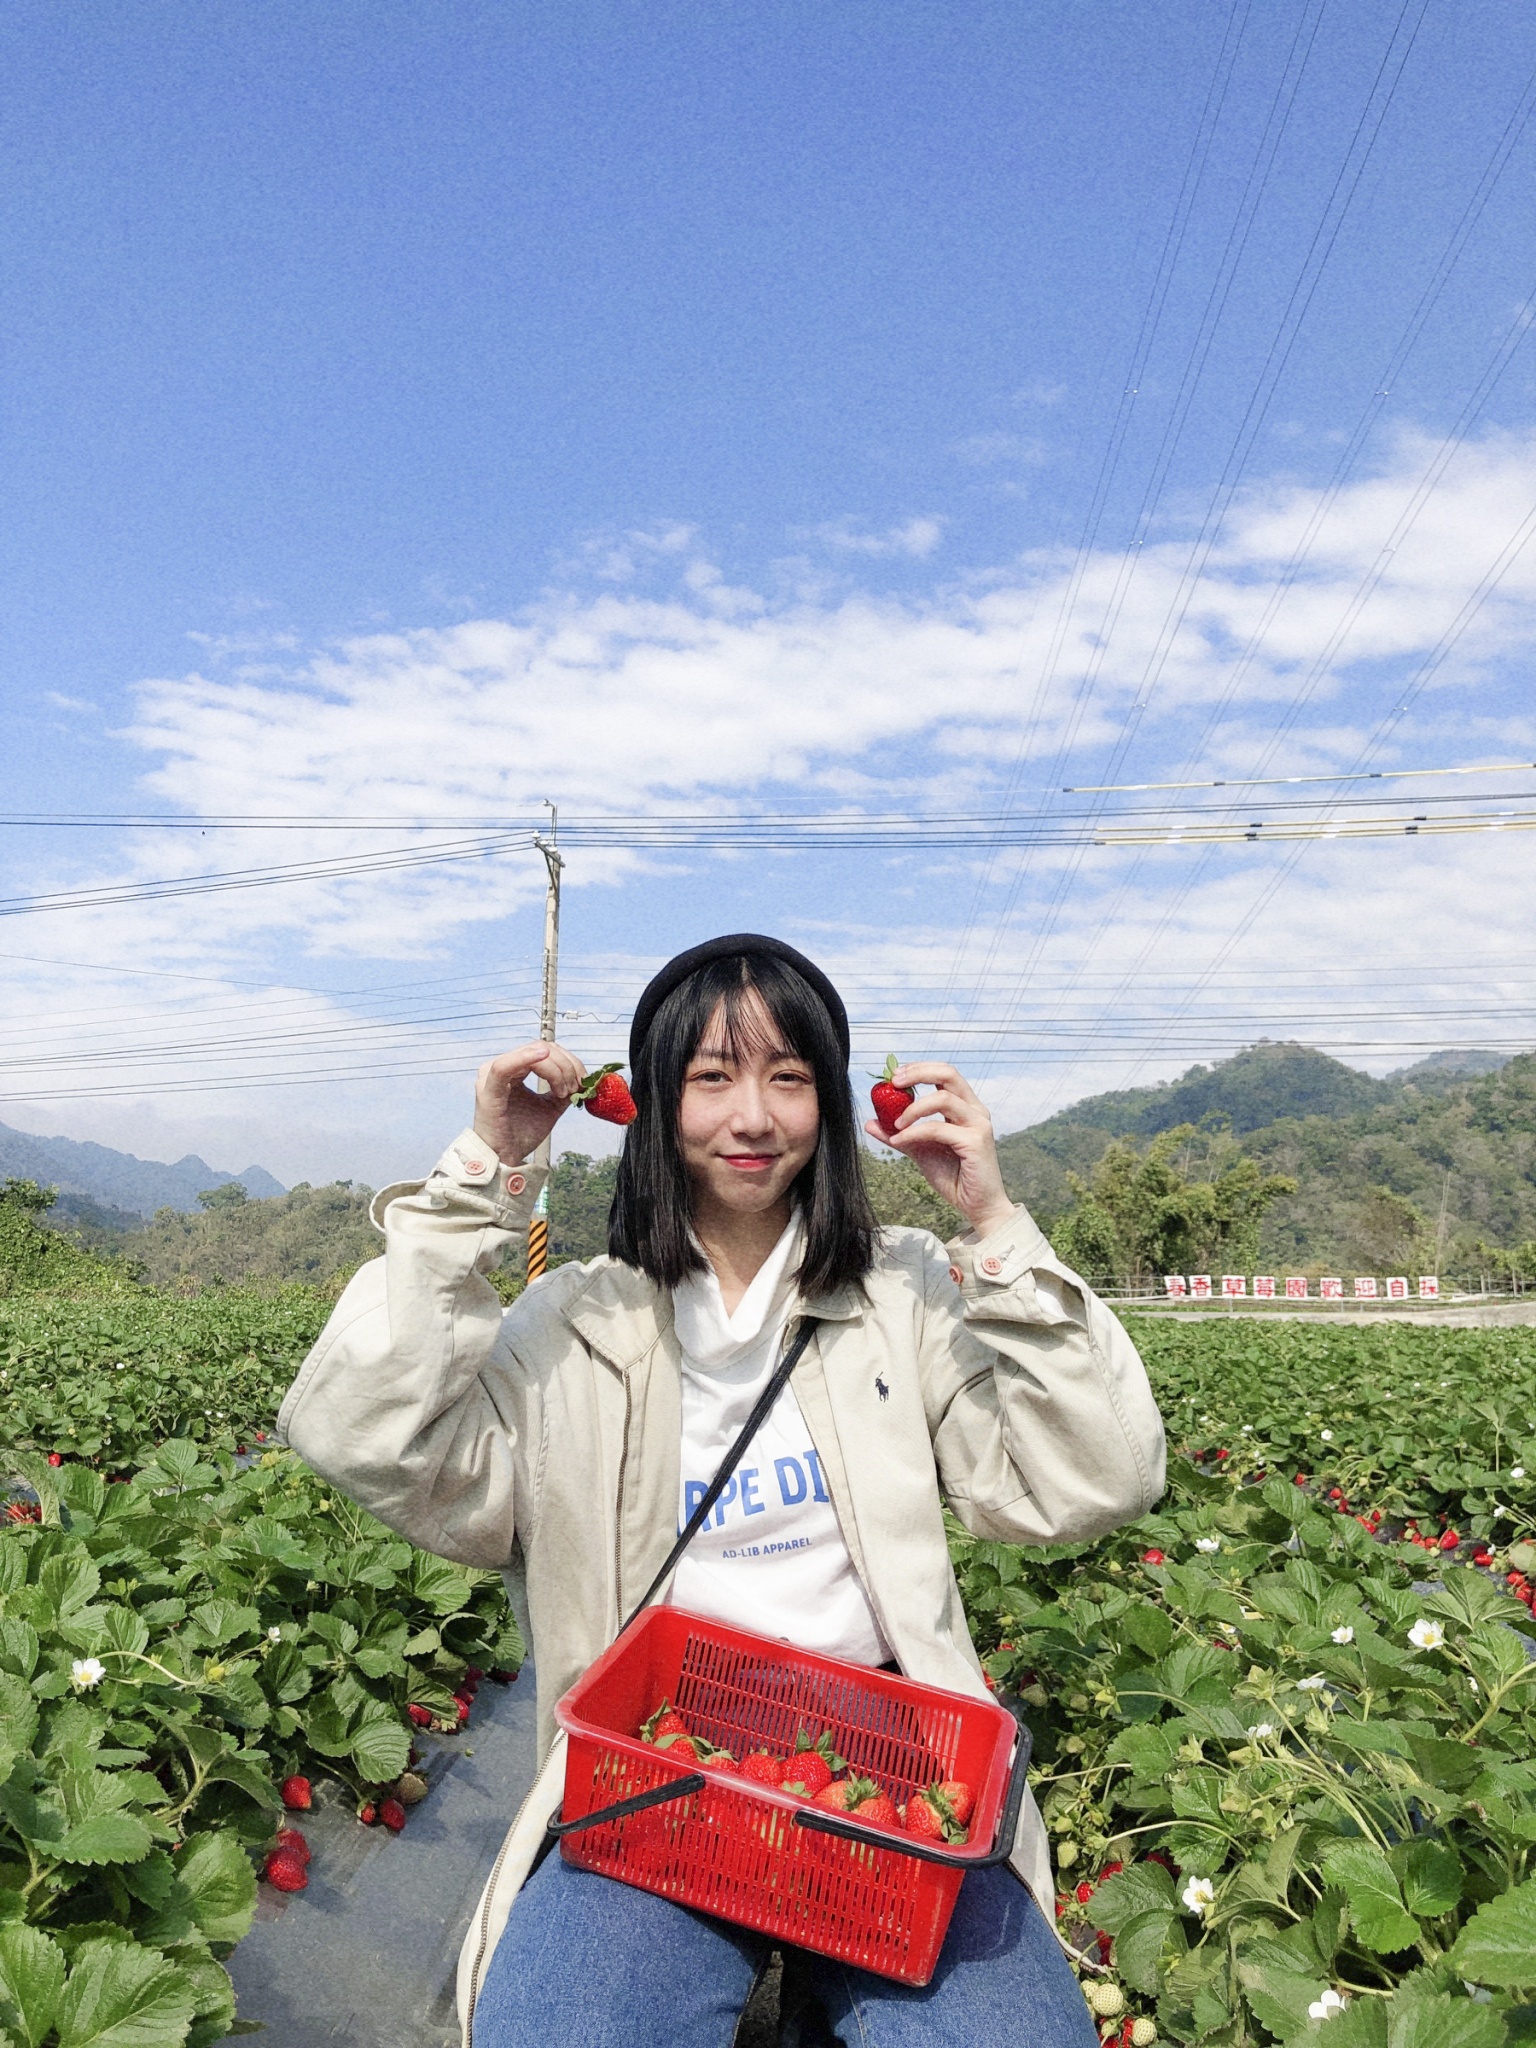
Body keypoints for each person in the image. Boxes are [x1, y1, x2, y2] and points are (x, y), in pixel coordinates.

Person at [278, 934, 1166, 2048]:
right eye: (711, 1077)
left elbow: (1099, 1477)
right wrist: (479, 1182)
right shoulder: (577, 1326)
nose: (753, 1116)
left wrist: (995, 1227)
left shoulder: (903, 1293)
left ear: (831, 1106)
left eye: (789, 1077)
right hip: (662, 1766)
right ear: (653, 1102)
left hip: (883, 1765)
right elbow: (355, 1429)